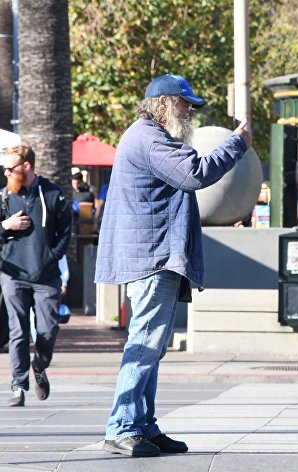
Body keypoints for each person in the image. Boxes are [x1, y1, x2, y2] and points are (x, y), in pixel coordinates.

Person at [95, 73, 252, 458]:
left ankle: (143, 424)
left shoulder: (150, 135)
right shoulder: (148, 137)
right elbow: (195, 173)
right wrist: (237, 145)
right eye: (185, 104)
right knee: (145, 343)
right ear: (163, 104)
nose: (190, 112)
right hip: (151, 256)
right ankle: (122, 426)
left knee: (152, 345)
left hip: (156, 254)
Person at [0, 144, 72, 407]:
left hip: (46, 275)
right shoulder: (4, 196)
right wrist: (6, 225)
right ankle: (18, 386)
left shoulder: (53, 194)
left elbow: (66, 233)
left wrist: (52, 257)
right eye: (4, 168)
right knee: (17, 331)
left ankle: (39, 366)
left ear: (27, 167)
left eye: (11, 168)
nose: (6, 172)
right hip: (12, 273)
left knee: (48, 330)